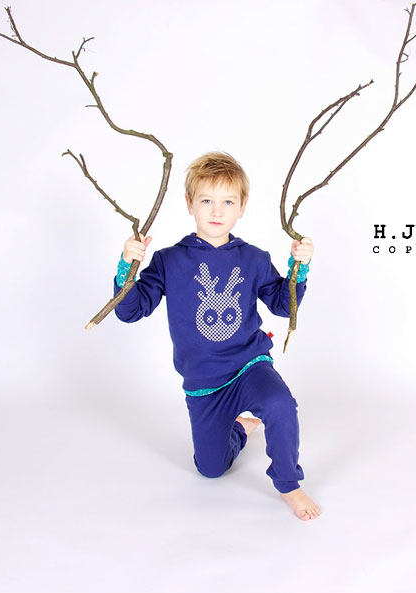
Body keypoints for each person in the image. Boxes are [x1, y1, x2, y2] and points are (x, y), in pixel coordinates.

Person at [113, 151, 320, 520]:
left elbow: (283, 306)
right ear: (189, 203)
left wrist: (298, 269)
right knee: (210, 468)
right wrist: (127, 267)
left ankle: (289, 483)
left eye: (228, 202)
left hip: (249, 366)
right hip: (204, 383)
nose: (217, 211)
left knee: (280, 404)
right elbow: (130, 311)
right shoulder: (168, 261)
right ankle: (240, 428)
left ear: (242, 207)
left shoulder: (254, 258)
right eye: (207, 200)